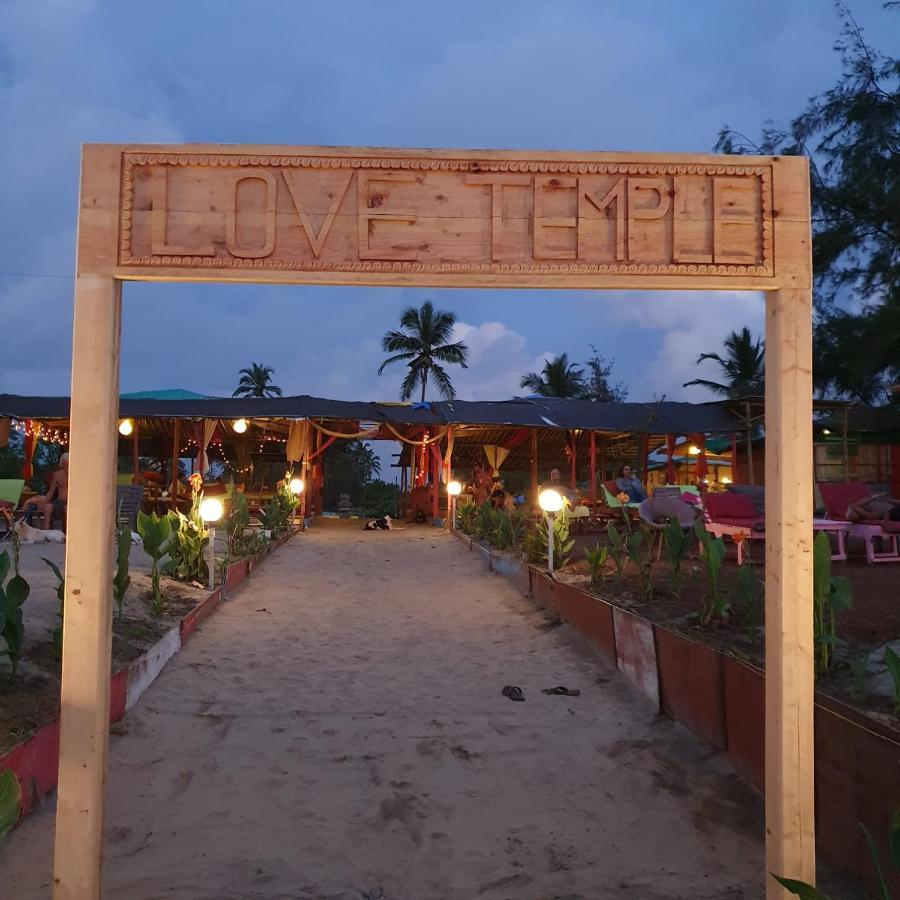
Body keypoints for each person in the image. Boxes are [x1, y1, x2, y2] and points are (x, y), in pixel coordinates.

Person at [21, 452, 69, 530]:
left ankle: (67, 532)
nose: (67, 465)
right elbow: (51, 491)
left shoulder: (75, 474)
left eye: (69, 463)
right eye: (66, 463)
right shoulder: (57, 474)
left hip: (71, 501)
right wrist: (45, 501)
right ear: (62, 463)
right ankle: (46, 533)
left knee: (67, 508)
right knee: (47, 507)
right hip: (59, 501)